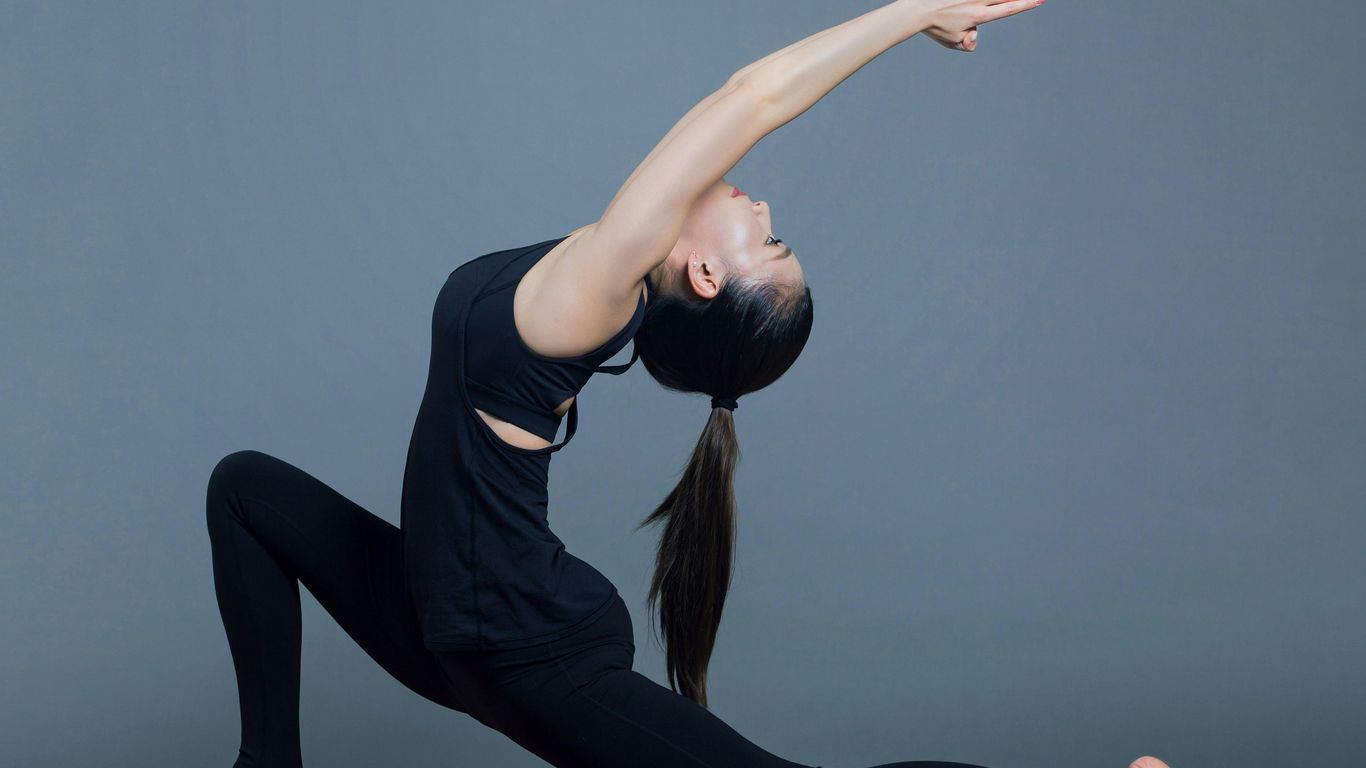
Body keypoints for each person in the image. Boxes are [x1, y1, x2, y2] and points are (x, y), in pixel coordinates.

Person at [205, 2, 1156, 766]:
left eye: (771, 242)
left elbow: (752, 98)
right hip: (438, 626)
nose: (764, 203)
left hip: (533, 656)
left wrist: (912, 11)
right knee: (245, 489)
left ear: (707, 276)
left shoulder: (592, 296)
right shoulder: (606, 272)